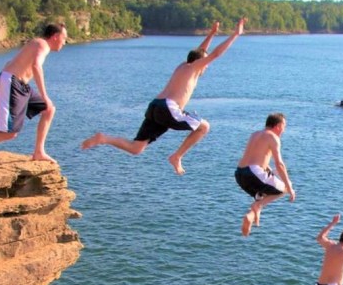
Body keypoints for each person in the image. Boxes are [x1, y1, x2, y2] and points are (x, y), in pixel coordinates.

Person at [81, 18, 246, 175]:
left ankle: (104, 138)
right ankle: (177, 156)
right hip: (168, 108)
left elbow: (200, 52)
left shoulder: (184, 66)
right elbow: (215, 54)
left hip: (155, 107)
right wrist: (236, 34)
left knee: (136, 148)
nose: (207, 66)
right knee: (204, 127)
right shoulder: (193, 68)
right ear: (198, 62)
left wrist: (212, 33)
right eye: (205, 63)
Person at [0, 23, 68, 165]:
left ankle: (38, 151)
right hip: (12, 83)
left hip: (18, 84)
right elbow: (36, 66)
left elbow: (10, 62)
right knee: (9, 133)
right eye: (64, 38)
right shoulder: (42, 45)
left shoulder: (36, 44)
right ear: (55, 36)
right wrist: (45, 95)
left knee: (49, 110)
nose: (65, 42)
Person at [234, 113, 295, 236]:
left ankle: (252, 215)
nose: (284, 130)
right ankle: (257, 207)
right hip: (253, 172)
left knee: (263, 193)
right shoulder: (273, 137)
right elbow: (280, 164)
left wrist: (268, 170)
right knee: (284, 188)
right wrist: (290, 187)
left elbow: (256, 157)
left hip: (239, 173)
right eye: (284, 126)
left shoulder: (254, 135)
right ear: (278, 126)